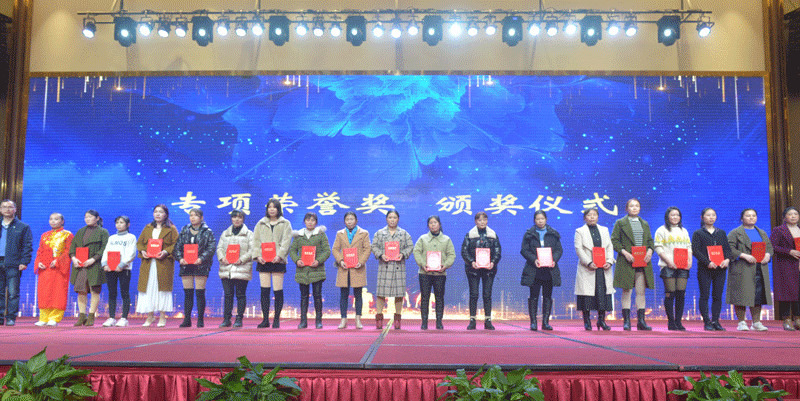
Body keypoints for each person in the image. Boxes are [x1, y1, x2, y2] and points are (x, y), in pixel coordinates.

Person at [611, 199, 655, 331]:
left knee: (641, 292)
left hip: (642, 262)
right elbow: (614, 241)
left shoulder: (644, 223)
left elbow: (650, 241)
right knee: (627, 291)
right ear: (626, 208)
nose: (634, 208)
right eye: (631, 206)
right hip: (627, 261)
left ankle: (641, 321)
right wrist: (625, 253)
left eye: (637, 206)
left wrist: (650, 251)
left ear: (640, 208)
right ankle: (627, 321)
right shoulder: (620, 223)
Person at [727, 208, 773, 331]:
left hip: (759, 267)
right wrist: (743, 255)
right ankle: (741, 322)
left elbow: (769, 247)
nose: (751, 217)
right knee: (741, 294)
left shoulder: (761, 233)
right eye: (748, 215)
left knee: (758, 295)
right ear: (742, 218)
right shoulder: (735, 232)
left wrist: (768, 255)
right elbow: (729, 248)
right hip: (742, 267)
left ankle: (756, 322)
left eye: (753, 215)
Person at [136, 204, 179, 327]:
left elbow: (176, 244)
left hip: (163, 264)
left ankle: (162, 316)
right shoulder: (148, 227)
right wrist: (143, 251)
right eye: (155, 211)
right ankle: (150, 316)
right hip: (148, 264)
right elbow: (140, 243)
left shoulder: (171, 229)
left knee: (162, 290)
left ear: (166, 214)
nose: (158, 214)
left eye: (161, 212)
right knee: (148, 288)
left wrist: (165, 251)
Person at [251, 199, 292, 328]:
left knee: (277, 291)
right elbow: (255, 241)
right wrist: (258, 256)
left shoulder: (285, 223)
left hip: (278, 261)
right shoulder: (260, 223)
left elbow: (286, 241)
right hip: (263, 261)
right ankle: (265, 320)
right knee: (264, 291)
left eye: (274, 207)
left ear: (279, 209)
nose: (272, 209)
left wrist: (280, 256)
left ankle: (276, 320)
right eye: (270, 207)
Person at [371, 210, 413, 330]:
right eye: (390, 217)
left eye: (394, 217)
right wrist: (380, 254)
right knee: (381, 293)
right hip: (384, 266)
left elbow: (410, 246)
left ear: (398, 219)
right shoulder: (380, 233)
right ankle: (379, 318)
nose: (392, 220)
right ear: (386, 219)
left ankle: (397, 319)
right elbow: (374, 246)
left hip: (398, 266)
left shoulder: (404, 233)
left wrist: (403, 254)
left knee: (399, 294)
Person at [174, 208, 216, 328]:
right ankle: (187, 319)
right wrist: (180, 258)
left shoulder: (207, 231)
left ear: (201, 218)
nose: (192, 217)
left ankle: (200, 320)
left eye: (195, 215)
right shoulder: (184, 230)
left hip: (201, 265)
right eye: (191, 215)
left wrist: (201, 258)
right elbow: (177, 247)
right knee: (188, 293)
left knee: (200, 293)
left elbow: (211, 248)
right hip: (186, 265)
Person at [692, 207, 733, 331]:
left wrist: (727, 259)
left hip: (720, 269)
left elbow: (727, 249)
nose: (711, 217)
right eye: (708, 215)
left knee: (718, 296)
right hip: (705, 268)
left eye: (713, 215)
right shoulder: (698, 233)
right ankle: (706, 322)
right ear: (702, 217)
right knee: (704, 295)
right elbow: (696, 251)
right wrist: (708, 262)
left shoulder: (721, 233)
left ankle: (716, 321)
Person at [574, 208, 615, 331]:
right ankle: (587, 322)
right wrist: (588, 262)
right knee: (586, 295)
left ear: (598, 217)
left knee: (602, 294)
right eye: (589, 215)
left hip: (603, 268)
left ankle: (601, 321)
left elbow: (609, 247)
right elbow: (578, 249)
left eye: (594, 215)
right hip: (588, 267)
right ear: (584, 218)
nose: (592, 217)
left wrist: (609, 261)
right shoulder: (580, 231)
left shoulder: (604, 230)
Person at [519, 211, 560, 331]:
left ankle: (545, 323)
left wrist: (554, 259)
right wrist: (534, 260)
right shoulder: (529, 234)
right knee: (534, 296)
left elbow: (559, 250)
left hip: (549, 269)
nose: (540, 221)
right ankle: (533, 323)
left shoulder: (553, 233)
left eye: (542, 219)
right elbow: (524, 250)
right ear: (534, 220)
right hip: (534, 269)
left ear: (546, 219)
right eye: (538, 219)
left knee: (547, 296)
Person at [461, 212, 502, 331]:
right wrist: (471, 262)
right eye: (479, 220)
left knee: (487, 295)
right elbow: (464, 251)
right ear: (475, 222)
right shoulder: (470, 235)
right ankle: (472, 320)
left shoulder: (493, 235)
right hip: (473, 269)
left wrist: (493, 262)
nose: (482, 222)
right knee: (474, 294)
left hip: (489, 270)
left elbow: (498, 251)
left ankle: (488, 321)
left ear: (487, 221)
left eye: (484, 220)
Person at [413, 215, 455, 330]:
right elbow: (416, 252)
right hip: (424, 273)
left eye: (435, 223)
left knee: (439, 298)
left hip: (440, 274)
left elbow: (451, 255)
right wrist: (422, 264)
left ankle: (439, 322)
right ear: (428, 225)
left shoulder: (446, 239)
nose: (433, 225)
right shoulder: (422, 238)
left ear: (439, 225)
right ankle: (424, 322)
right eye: (430, 223)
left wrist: (445, 265)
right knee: (425, 298)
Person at [653, 207, 692, 331]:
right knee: (670, 293)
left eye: (677, 215)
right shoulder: (661, 230)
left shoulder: (684, 231)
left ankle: (678, 322)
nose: (675, 217)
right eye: (672, 215)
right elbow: (658, 247)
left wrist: (690, 261)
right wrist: (669, 262)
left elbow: (688, 246)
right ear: (667, 217)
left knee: (681, 293)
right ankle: (671, 322)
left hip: (682, 266)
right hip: (668, 266)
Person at [69, 209, 109, 326]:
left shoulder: (103, 231)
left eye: (90, 217)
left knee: (94, 290)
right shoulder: (81, 231)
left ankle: (91, 316)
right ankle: (82, 316)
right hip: (80, 265)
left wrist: (93, 259)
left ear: (97, 218)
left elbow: (105, 248)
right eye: (86, 217)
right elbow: (73, 247)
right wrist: (74, 258)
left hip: (95, 265)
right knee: (81, 291)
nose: (87, 219)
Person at [289, 212, 330, 329]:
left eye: (312, 220)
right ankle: (303, 321)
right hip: (302, 270)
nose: (310, 222)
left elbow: (327, 251)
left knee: (317, 296)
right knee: (304, 297)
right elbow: (292, 251)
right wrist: (297, 260)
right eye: (308, 220)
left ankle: (318, 321)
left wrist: (318, 260)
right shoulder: (298, 235)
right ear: (304, 222)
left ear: (316, 222)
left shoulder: (321, 234)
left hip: (317, 269)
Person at [332, 212, 371, 329]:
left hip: (358, 268)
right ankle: (343, 320)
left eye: (352, 219)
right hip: (344, 268)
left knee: (358, 295)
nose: (349, 221)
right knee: (343, 295)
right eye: (347, 219)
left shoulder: (364, 233)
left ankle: (358, 320)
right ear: (344, 221)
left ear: (356, 220)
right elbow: (335, 249)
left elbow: (367, 249)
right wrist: (340, 261)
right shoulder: (340, 233)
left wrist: (361, 261)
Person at [33, 213, 72, 326]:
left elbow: (68, 251)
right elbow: (40, 251)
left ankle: (55, 317)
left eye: (56, 219)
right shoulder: (44, 235)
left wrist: (58, 261)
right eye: (51, 219)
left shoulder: (67, 235)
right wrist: (39, 262)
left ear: (62, 221)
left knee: (58, 291)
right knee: (44, 292)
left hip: (58, 268)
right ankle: (43, 317)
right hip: (45, 268)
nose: (53, 221)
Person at [216, 209, 253, 328]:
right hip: (226, 269)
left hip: (242, 268)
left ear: (243, 219)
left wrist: (241, 259)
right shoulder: (225, 233)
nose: (237, 219)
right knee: (228, 295)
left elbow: (253, 250)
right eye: (234, 217)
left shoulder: (249, 234)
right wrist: (222, 258)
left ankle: (239, 319)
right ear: (231, 218)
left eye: (240, 217)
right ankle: (226, 319)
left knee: (240, 295)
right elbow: (219, 248)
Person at [100, 216, 137, 327]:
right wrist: (104, 264)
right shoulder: (112, 238)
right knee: (112, 293)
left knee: (124, 292)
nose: (119, 224)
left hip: (124, 268)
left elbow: (131, 253)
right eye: (117, 222)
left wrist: (121, 265)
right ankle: (111, 317)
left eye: (121, 222)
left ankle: (124, 318)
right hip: (110, 268)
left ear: (127, 224)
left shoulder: (131, 237)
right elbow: (106, 251)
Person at [0, 199, 32, 326]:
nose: (7, 209)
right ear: (1, 210)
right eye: (4, 207)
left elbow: (27, 246)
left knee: (13, 293)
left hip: (13, 263)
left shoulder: (23, 227)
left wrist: (24, 261)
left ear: (15, 209)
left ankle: (11, 317)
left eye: (10, 207)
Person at [770, 207, 800, 330]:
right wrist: (789, 251)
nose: (793, 216)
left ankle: (797, 318)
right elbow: (772, 246)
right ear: (784, 217)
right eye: (790, 214)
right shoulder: (778, 230)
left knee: (798, 292)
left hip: (798, 265)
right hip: (786, 265)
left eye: (795, 214)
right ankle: (786, 319)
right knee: (786, 292)